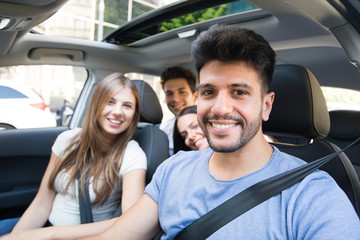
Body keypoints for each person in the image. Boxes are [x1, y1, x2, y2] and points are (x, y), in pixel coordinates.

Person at [4, 25, 360, 240]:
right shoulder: (175, 172)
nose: (220, 108)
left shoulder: (312, 196)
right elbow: (117, 235)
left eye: (239, 92)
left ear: (266, 105)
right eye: (208, 92)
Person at [0, 73, 147, 237]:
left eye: (127, 106)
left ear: (134, 114)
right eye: (110, 102)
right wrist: (18, 235)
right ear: (96, 104)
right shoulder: (67, 140)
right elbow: (42, 202)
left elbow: (130, 222)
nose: (118, 111)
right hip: (45, 228)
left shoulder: (132, 155)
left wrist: (52, 234)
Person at [159, 66, 198, 155]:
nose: (175, 99)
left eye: (182, 92)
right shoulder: (164, 130)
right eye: (169, 94)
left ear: (195, 96)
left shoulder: (209, 123)